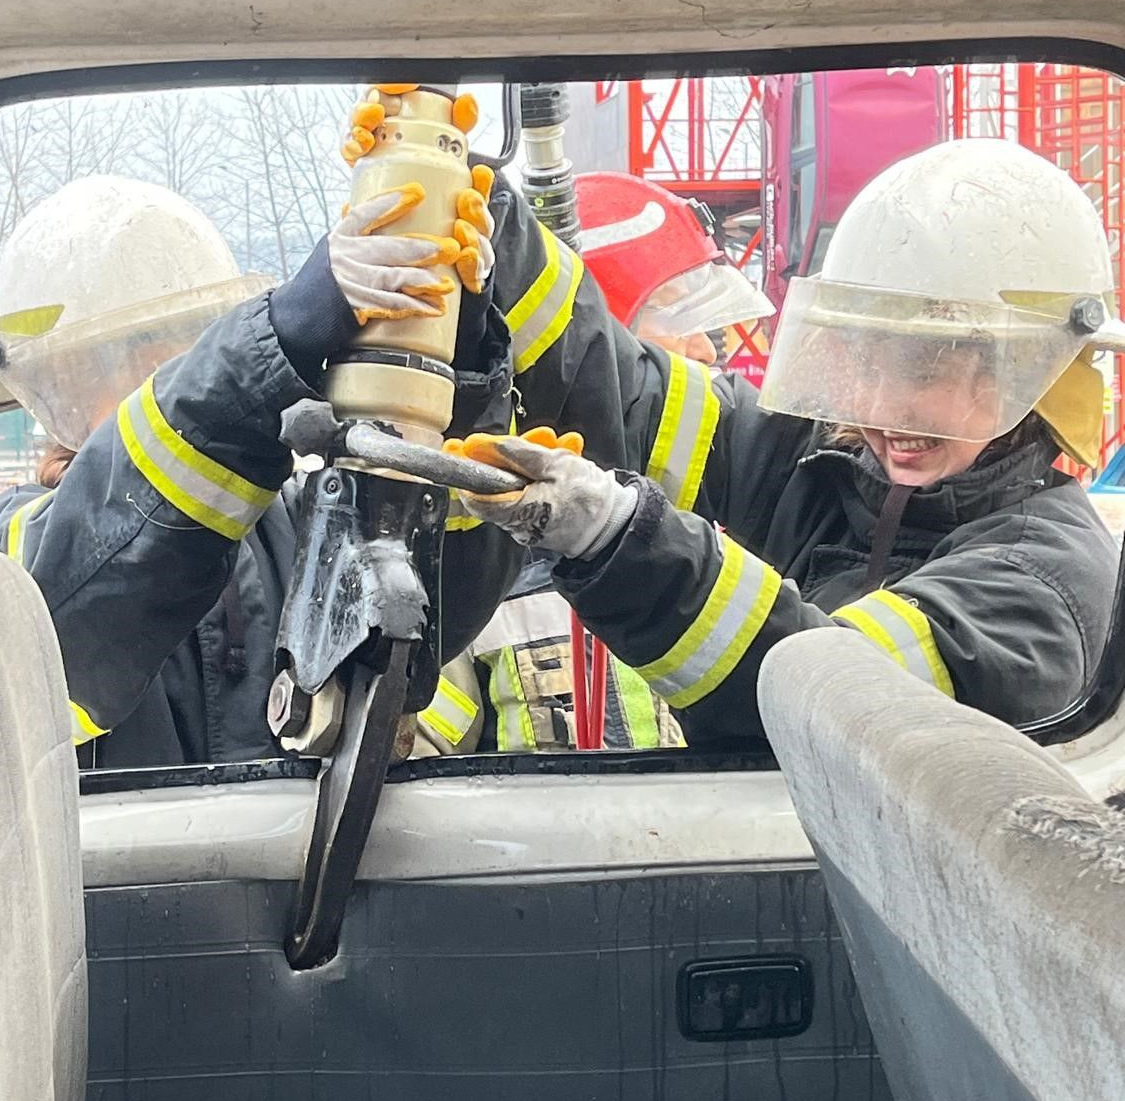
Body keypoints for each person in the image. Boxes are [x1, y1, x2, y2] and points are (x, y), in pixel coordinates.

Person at [0, 86, 714, 766]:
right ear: (52, 392)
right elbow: (98, 578)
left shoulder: (292, 524)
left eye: (176, 350)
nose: (152, 381)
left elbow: (436, 610)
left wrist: (461, 355)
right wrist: (272, 346)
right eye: (126, 363)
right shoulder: (1, 557)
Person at [454, 138, 1120, 740]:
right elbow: (620, 392)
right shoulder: (836, 467)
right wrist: (480, 206)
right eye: (866, 363)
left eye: (924, 367)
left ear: (1036, 374)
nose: (881, 409)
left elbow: (823, 700)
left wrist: (619, 540)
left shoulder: (1044, 585)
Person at [415, 172, 773, 755]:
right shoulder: (477, 565)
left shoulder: (739, 533)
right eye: (680, 322)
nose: (707, 350)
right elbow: (416, 757)